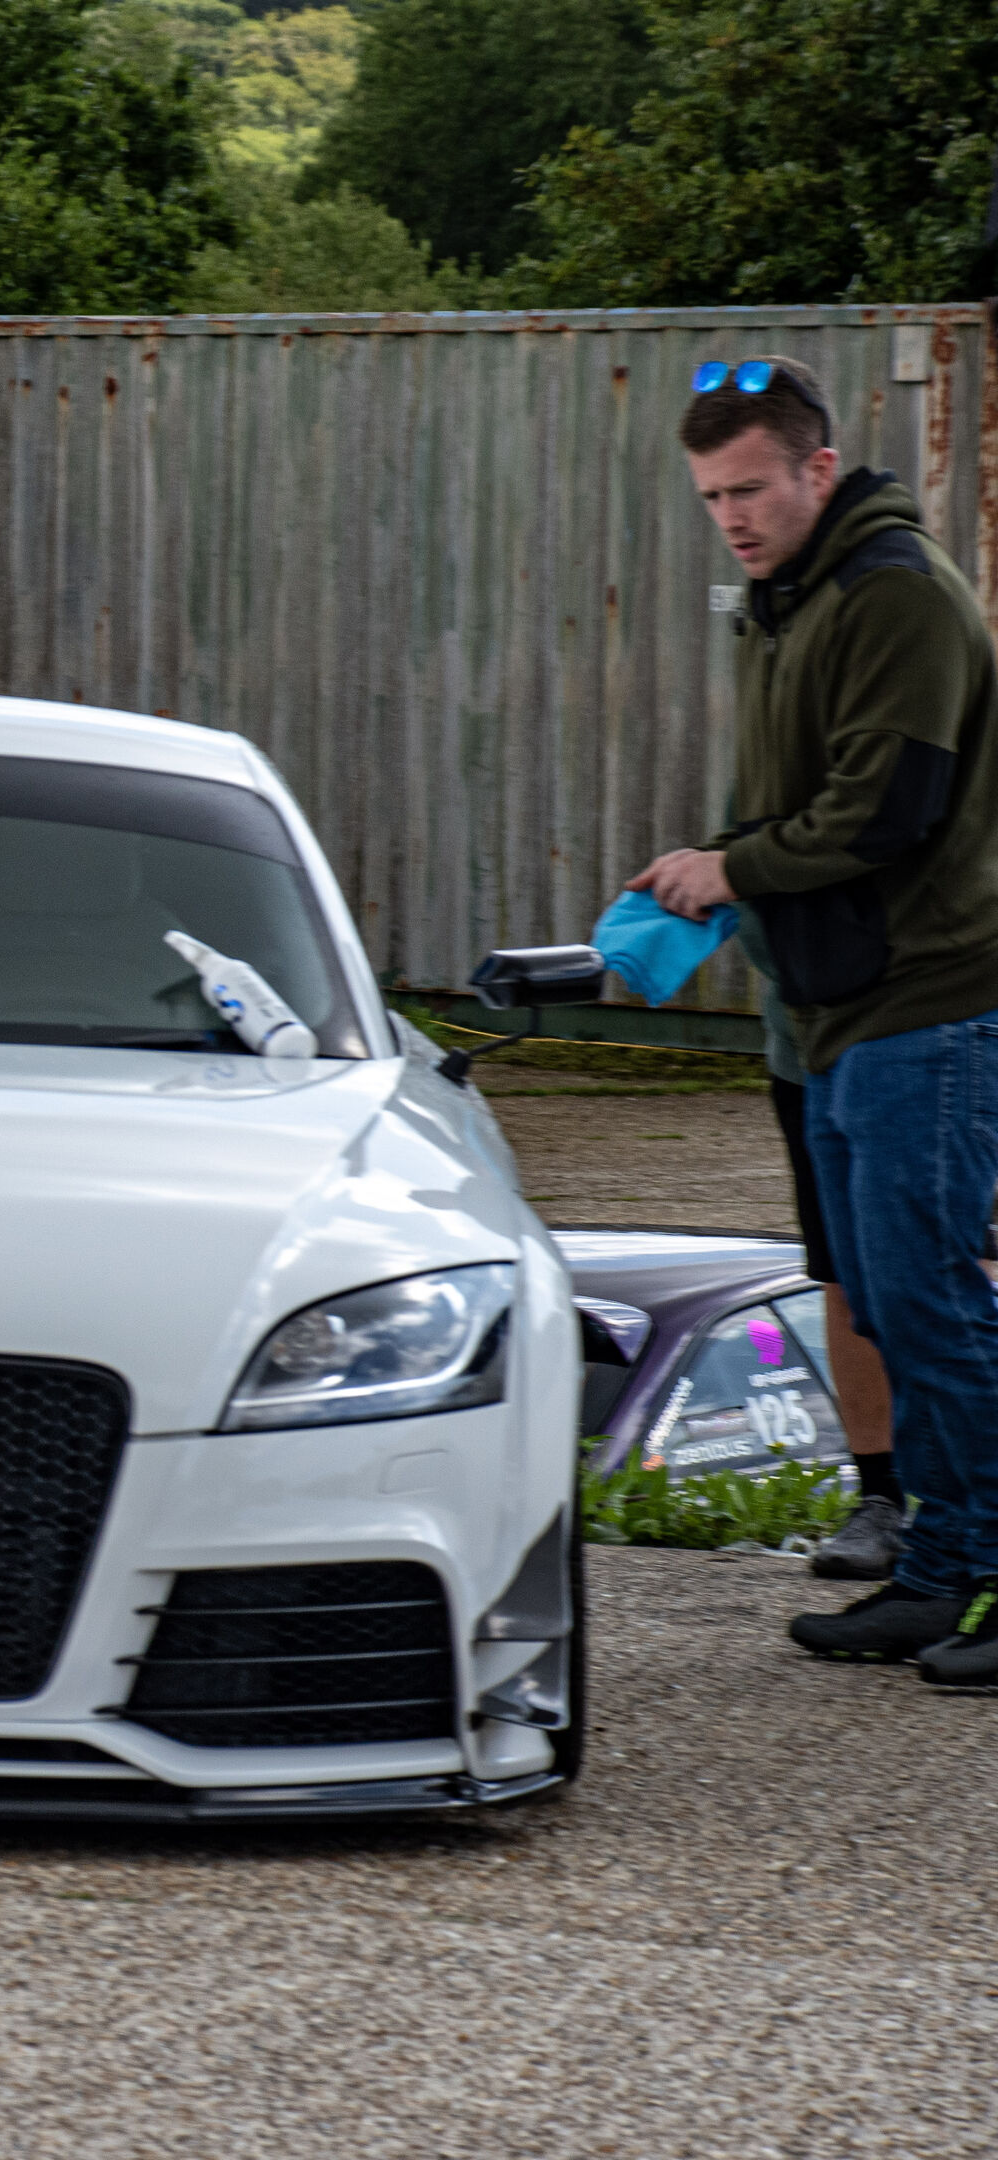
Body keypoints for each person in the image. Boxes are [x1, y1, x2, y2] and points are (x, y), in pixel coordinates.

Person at [624, 355, 998, 1687]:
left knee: (933, 1298)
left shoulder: (894, 596)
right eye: (711, 496)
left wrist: (734, 869)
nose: (730, 518)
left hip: (927, 1004)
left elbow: (884, 809)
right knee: (886, 1299)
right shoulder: (791, 599)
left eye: (750, 489)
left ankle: (988, 1567)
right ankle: (941, 1571)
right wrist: (711, 871)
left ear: (819, 468)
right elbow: (799, 799)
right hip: (839, 1006)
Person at [744, 912, 908, 1578]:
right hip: (807, 1050)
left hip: (935, 1042)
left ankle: (970, 1507)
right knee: (842, 1277)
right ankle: (881, 1499)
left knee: (956, 1271)